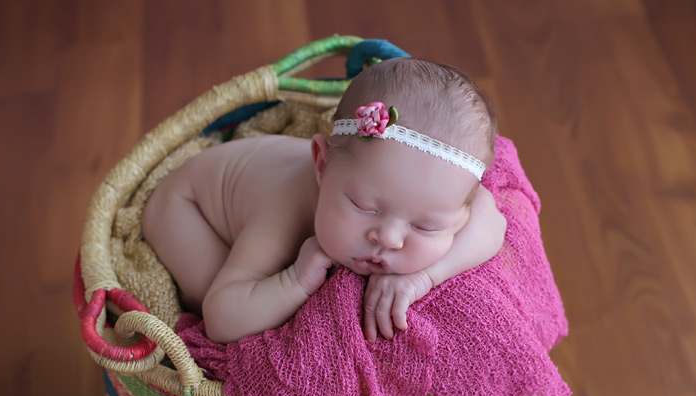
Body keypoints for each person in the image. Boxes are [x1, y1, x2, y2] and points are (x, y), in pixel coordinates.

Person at [142, 57, 506, 344]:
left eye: (425, 225)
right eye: (365, 207)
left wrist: (424, 278)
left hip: (250, 173)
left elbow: (493, 221)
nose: (390, 239)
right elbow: (221, 318)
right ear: (322, 163)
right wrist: (295, 281)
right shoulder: (282, 214)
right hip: (187, 205)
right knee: (216, 295)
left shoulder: (444, 192)